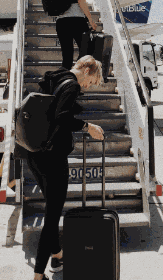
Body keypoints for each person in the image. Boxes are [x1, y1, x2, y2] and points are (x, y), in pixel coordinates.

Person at [26, 55, 105, 280]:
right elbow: (62, 118)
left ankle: (58, 255)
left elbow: (52, 110)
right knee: (52, 219)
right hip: (52, 158)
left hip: (35, 154)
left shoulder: (57, 77)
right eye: (91, 81)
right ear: (87, 70)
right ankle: (38, 276)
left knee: (51, 209)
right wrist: (88, 126)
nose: (87, 86)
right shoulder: (71, 85)